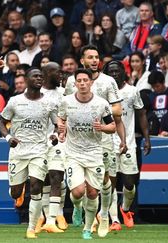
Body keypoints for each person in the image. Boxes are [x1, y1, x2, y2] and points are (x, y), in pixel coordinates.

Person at [64, 45, 124, 238]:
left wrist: (95, 109)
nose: (94, 60)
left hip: (102, 138)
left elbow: (117, 110)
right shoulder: (72, 83)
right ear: (82, 60)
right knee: (80, 189)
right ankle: (78, 207)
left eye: (97, 57)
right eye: (90, 57)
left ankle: (104, 215)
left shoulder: (108, 82)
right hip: (77, 141)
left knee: (104, 180)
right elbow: (66, 108)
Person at [0, 68, 58, 239]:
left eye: (41, 76)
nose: (39, 78)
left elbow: (56, 124)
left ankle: (32, 228)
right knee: (16, 192)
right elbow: (2, 122)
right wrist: (9, 137)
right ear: (26, 79)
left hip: (39, 150)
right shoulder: (15, 101)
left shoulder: (49, 103)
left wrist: (53, 135)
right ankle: (18, 192)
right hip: (18, 151)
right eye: (35, 76)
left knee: (36, 186)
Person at [58, 68, 116, 240]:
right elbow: (61, 118)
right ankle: (77, 207)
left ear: (91, 83)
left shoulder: (101, 104)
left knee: (91, 193)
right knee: (77, 192)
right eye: (79, 81)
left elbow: (112, 126)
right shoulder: (66, 102)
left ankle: (88, 228)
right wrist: (61, 129)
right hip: (73, 153)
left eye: (85, 80)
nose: (82, 83)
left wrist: (103, 128)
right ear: (75, 83)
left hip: (94, 153)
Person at [102, 60, 151, 230]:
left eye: (117, 71)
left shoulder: (132, 91)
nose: (114, 74)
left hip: (128, 143)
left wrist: (147, 138)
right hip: (108, 144)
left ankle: (125, 209)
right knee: (110, 184)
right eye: (111, 72)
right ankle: (114, 220)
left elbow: (141, 114)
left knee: (130, 184)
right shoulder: (103, 93)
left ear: (123, 72)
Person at [39, 62, 68, 232]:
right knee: (44, 179)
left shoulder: (64, 93)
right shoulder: (38, 93)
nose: (61, 75)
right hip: (40, 142)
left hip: (61, 140)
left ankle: (59, 213)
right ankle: (46, 215)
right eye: (57, 72)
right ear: (47, 73)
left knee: (57, 176)